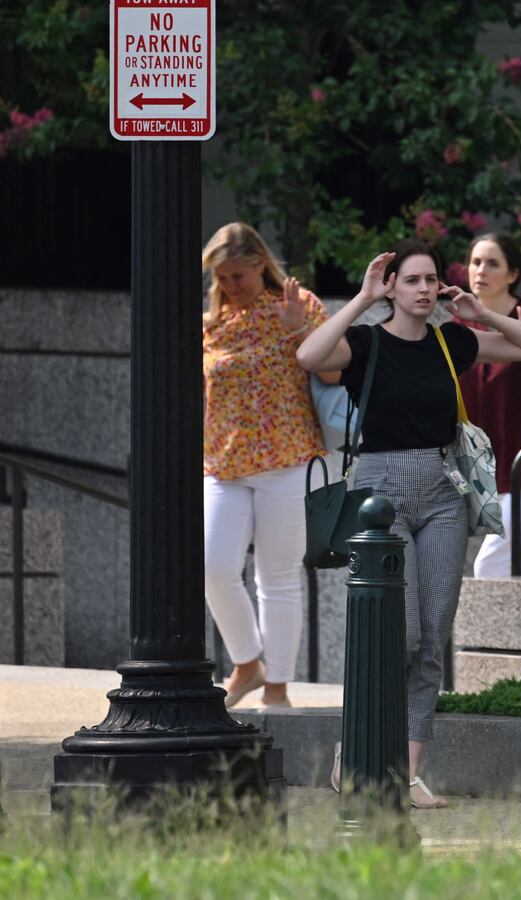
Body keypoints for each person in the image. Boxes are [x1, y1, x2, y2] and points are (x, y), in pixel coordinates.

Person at [296, 239, 521, 807]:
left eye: (430, 279)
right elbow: (310, 357)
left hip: (442, 491)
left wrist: (482, 313)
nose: (423, 289)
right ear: (392, 287)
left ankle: (408, 772)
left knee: (433, 636)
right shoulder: (365, 342)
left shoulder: (450, 340)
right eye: (411, 280)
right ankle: (356, 745)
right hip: (379, 493)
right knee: (401, 632)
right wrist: (362, 299)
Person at [201, 222, 331, 710]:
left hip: (287, 457)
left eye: (239, 275)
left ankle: (276, 686)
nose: (231, 286)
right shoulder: (213, 323)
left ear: (260, 263)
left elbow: (335, 368)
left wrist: (299, 326)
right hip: (223, 462)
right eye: (223, 277)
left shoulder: (297, 304)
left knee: (277, 576)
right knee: (213, 566)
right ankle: (247, 662)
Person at [455, 233, 521, 577]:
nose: (480, 270)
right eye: (476, 262)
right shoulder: (459, 329)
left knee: (491, 564)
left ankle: (486, 635)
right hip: (487, 472)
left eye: (492, 263)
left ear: (513, 274)